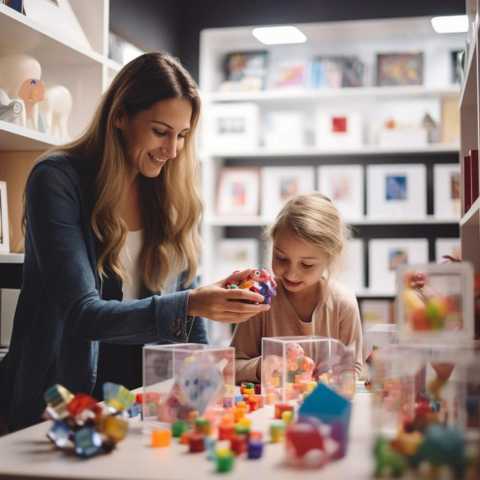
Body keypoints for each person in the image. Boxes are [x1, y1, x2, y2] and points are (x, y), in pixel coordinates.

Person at [0, 52, 270, 432]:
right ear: (120, 117)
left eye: (182, 135)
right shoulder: (57, 180)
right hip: (59, 407)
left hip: (143, 406)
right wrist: (193, 303)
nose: (173, 150)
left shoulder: (171, 194)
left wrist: (213, 396)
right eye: (160, 131)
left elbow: (191, 328)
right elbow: (82, 314)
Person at [231, 193, 363, 383]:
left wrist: (335, 377)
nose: (291, 274)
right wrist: (261, 367)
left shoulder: (343, 303)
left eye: (307, 265)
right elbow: (231, 366)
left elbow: (353, 368)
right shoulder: (259, 300)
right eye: (281, 258)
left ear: (330, 257)